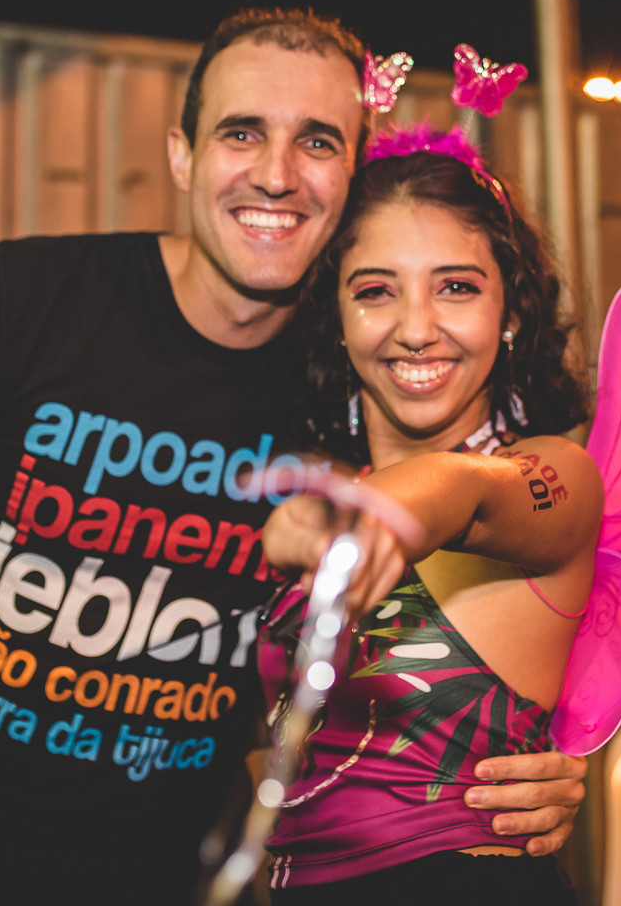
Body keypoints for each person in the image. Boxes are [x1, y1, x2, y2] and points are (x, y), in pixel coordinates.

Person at [0, 9, 586, 906]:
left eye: (316, 141)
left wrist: (526, 764)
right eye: (241, 132)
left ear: (352, 176)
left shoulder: (339, 394)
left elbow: (481, 514)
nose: (276, 173)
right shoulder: (17, 299)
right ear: (183, 155)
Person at [257, 130, 602, 903]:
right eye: (375, 291)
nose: (416, 328)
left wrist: (376, 516)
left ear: (511, 311)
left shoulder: (556, 477)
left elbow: (462, 487)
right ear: (336, 318)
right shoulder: (316, 492)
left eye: (456, 287)